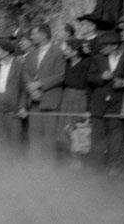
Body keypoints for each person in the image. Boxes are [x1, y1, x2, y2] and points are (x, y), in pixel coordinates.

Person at [87, 30, 124, 176]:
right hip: (98, 107)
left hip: (117, 107)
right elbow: (89, 78)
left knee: (116, 142)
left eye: (105, 45)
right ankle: (96, 173)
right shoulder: (97, 59)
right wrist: (101, 76)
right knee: (97, 142)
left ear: (114, 46)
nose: (101, 48)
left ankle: (113, 172)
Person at [22, 23, 65, 160]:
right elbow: (25, 73)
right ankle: (34, 168)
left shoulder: (58, 52)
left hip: (50, 101)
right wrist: (31, 88)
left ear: (44, 35)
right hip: (34, 102)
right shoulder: (31, 54)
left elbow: (60, 75)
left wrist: (39, 84)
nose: (32, 36)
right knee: (34, 136)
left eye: (34, 34)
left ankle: (49, 171)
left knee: (49, 138)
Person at [0, 39, 25, 163]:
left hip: (13, 109)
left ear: (6, 51)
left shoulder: (19, 65)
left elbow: (24, 88)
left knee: (14, 142)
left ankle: (14, 171)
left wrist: (22, 106)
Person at [55, 38, 91, 167]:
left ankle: (78, 162)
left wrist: (88, 108)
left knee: (76, 131)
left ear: (75, 51)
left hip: (79, 98)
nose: (65, 52)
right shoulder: (66, 64)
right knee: (63, 131)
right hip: (66, 98)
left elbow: (88, 87)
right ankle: (65, 161)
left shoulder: (86, 65)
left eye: (67, 49)